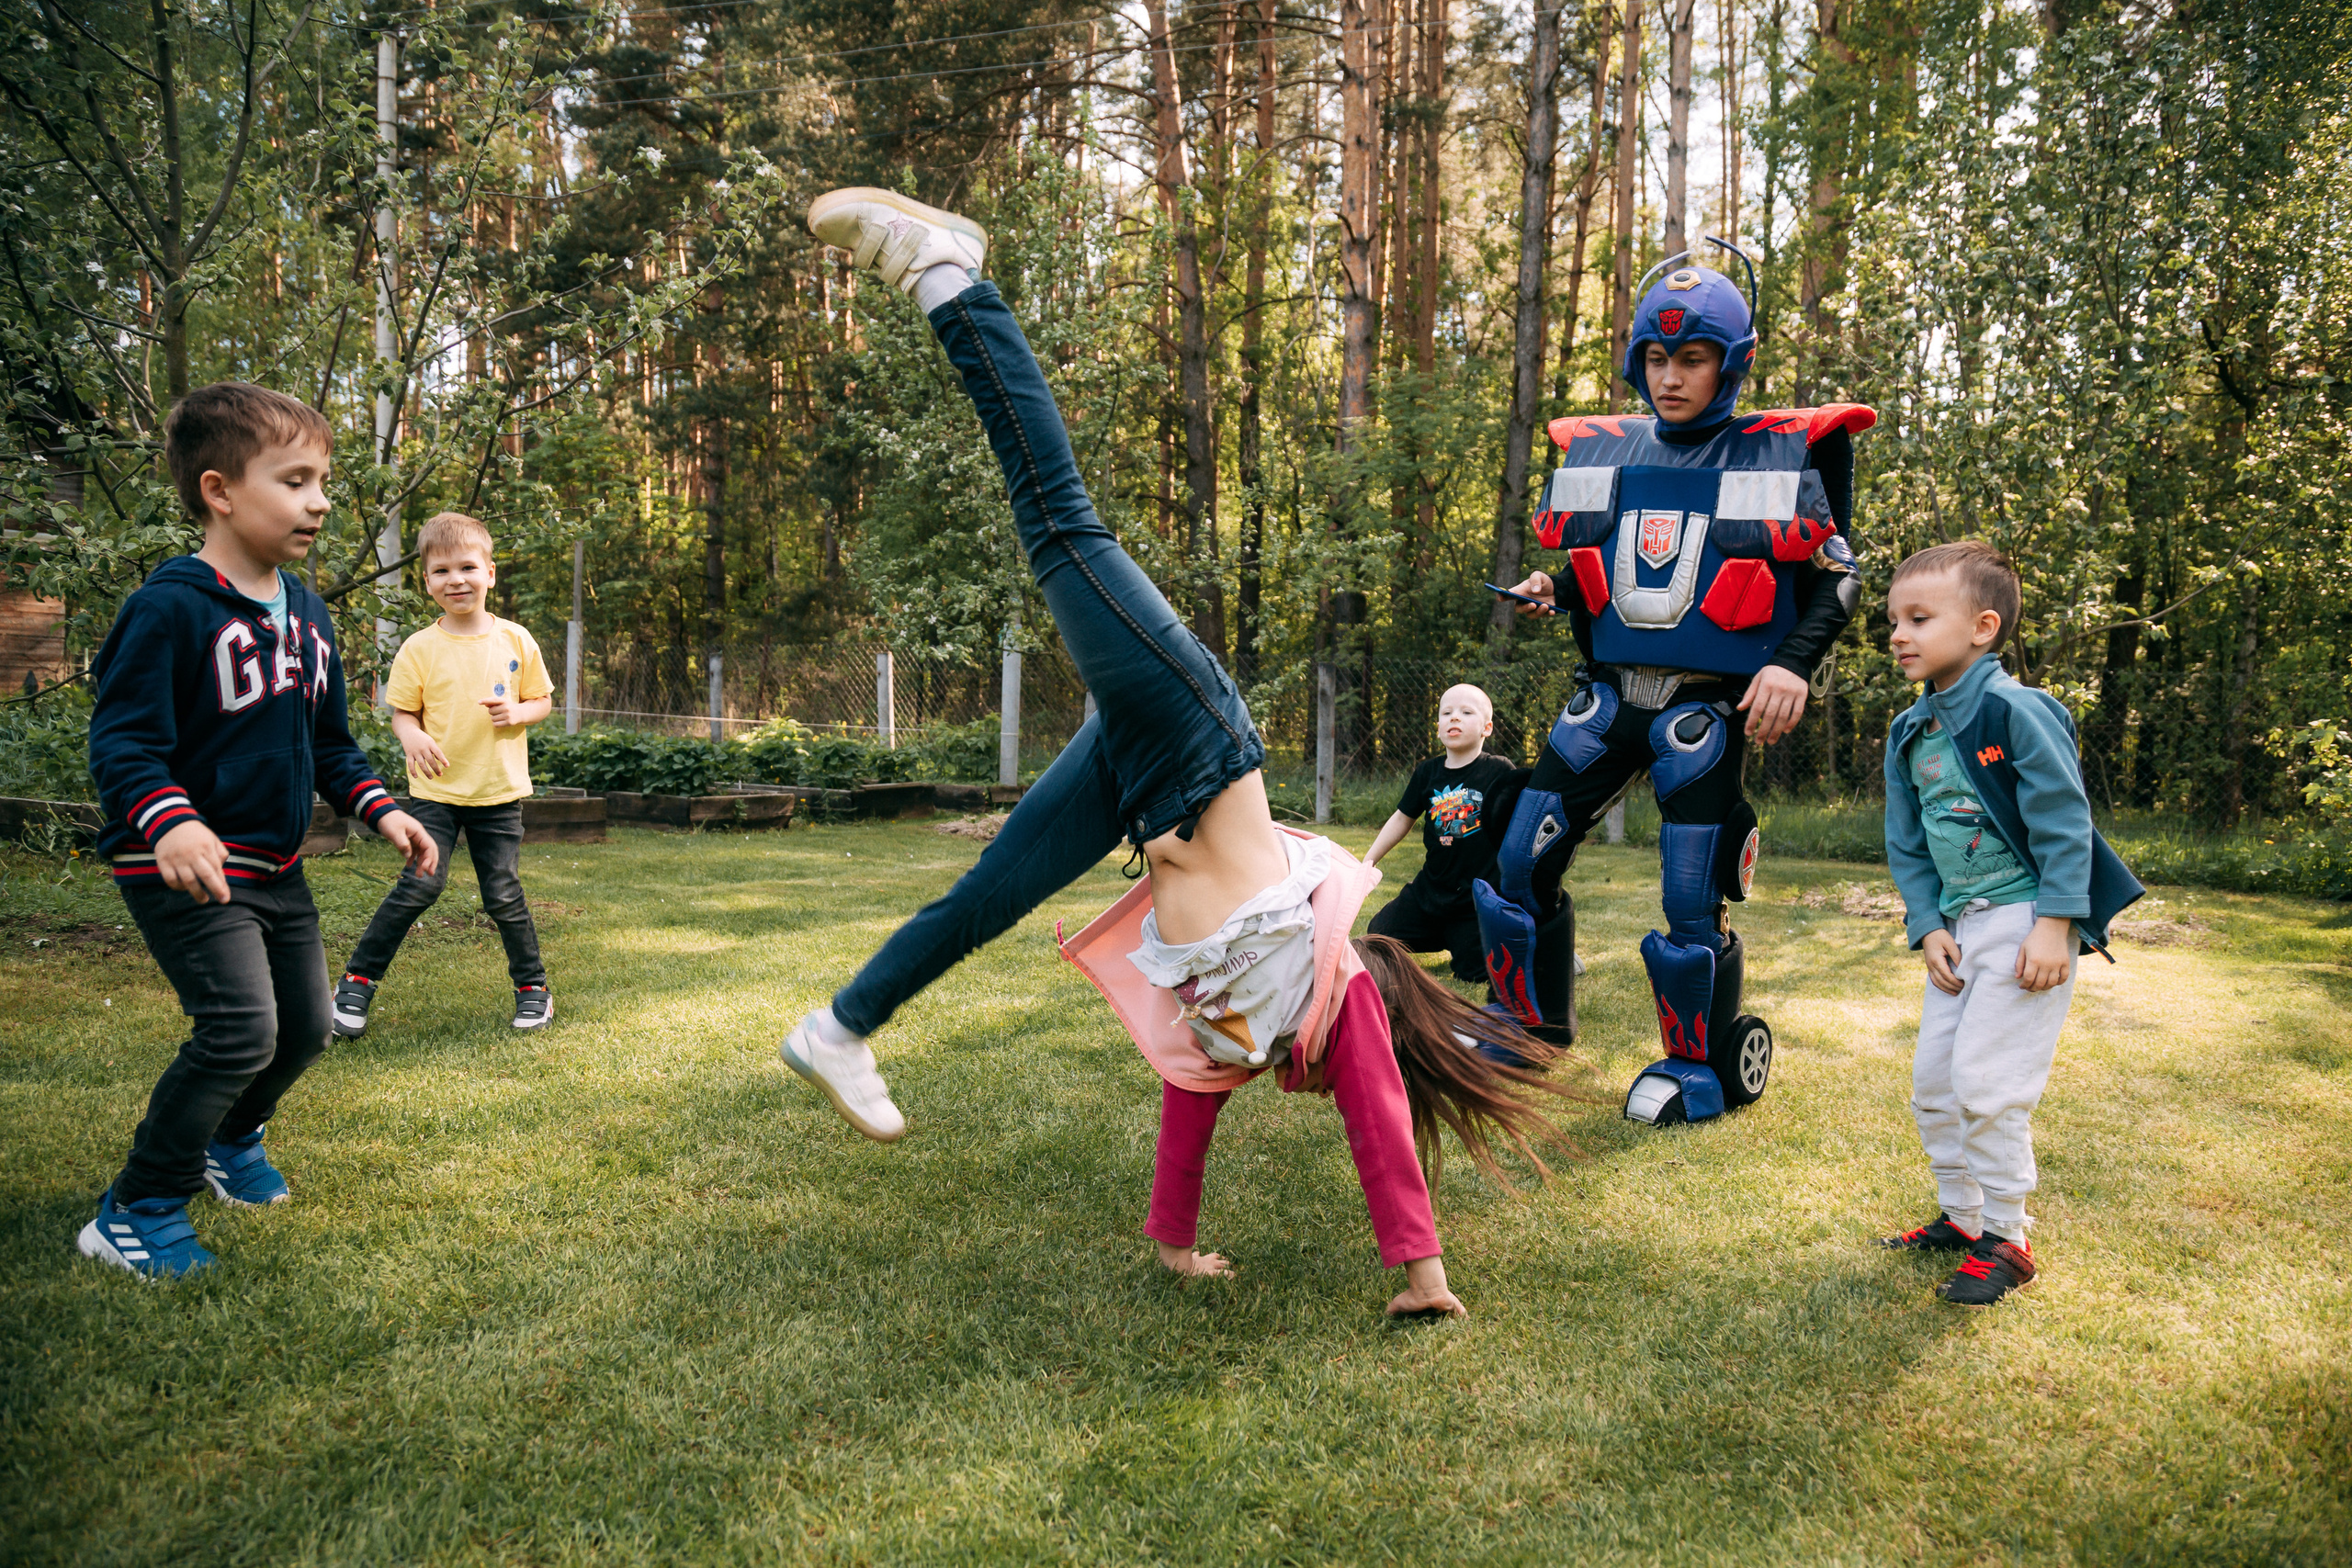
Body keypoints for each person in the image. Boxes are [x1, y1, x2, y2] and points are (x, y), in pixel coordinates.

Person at [785, 187, 1582, 1317]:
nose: (1357, 1074)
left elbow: (1185, 1110)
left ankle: (840, 1028)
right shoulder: (1335, 996)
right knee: (1059, 519)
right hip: (1199, 743)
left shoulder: (1236, 1036)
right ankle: (948, 278)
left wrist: (1174, 1247)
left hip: (1147, 778)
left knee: (997, 886)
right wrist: (1421, 1275)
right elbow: (1380, 1123)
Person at [1489, 241, 1867, 1124]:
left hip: (1704, 702)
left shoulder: (1776, 456)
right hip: (1610, 693)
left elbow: (1839, 576)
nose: (1671, 376)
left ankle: (1697, 1065)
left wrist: (1790, 663)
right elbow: (1608, 570)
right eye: (1656, 357)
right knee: (1518, 855)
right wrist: (1558, 587)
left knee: (1691, 890)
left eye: (1692, 357)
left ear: (1732, 361)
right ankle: (1522, 1021)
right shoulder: (1604, 451)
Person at [79, 382, 439, 1279]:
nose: (319, 500)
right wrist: (169, 823)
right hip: (186, 867)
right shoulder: (170, 609)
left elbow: (329, 744)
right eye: (295, 479)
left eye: (324, 481)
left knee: (309, 1028)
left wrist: (382, 808)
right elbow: (122, 740)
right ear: (220, 491)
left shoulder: (309, 617)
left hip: (276, 867)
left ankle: (229, 1142)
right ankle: (137, 1207)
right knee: (240, 1029)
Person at [1879, 541, 2142, 1306]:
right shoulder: (1910, 732)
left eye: (1920, 618)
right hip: (1960, 928)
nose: (1899, 633)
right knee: (1935, 1083)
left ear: (1983, 626)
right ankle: (1963, 1220)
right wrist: (1928, 924)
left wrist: (2058, 923)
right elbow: (1907, 840)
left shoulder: (2017, 711)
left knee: (1989, 1083)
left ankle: (2009, 1237)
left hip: (2028, 916)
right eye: (1894, 619)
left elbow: (2065, 821)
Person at [331, 512, 558, 1038]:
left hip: (498, 794)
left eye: (467, 567)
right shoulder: (419, 648)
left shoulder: (516, 641)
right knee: (417, 887)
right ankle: (354, 984)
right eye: (441, 571)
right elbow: (403, 712)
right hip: (435, 792)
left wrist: (518, 714)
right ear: (427, 581)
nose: (456, 579)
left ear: (490, 573)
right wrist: (410, 734)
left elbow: (542, 700)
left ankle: (533, 991)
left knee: (502, 893)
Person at [1363, 684, 1519, 986]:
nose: (1454, 718)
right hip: (1430, 894)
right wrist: (1367, 861)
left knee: (1473, 974)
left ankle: (1534, 948)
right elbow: (1401, 819)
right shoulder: (1427, 773)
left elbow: (1522, 821)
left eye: (1465, 712)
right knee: (1376, 936)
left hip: (1475, 902)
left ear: (1487, 728)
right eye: (1446, 713)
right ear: (1437, 728)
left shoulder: (1499, 770)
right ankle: (1438, 933)